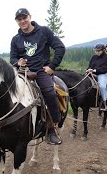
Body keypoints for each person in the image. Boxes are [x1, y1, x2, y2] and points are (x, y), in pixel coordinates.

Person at [10, 8, 65, 145]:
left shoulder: (44, 31)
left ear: (30, 17)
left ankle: (52, 128)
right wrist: (17, 62)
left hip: (41, 71)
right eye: (19, 19)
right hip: (22, 72)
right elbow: (12, 58)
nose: (22, 21)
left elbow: (60, 47)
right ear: (17, 21)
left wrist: (52, 67)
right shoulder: (16, 39)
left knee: (49, 93)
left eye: (24, 18)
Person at [86, 44, 107, 111]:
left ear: (103, 50)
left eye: (98, 51)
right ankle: (86, 102)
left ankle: (104, 102)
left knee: (102, 86)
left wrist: (94, 70)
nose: (97, 52)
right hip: (91, 73)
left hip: (102, 74)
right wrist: (88, 69)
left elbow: (105, 69)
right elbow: (90, 65)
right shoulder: (93, 57)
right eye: (96, 51)